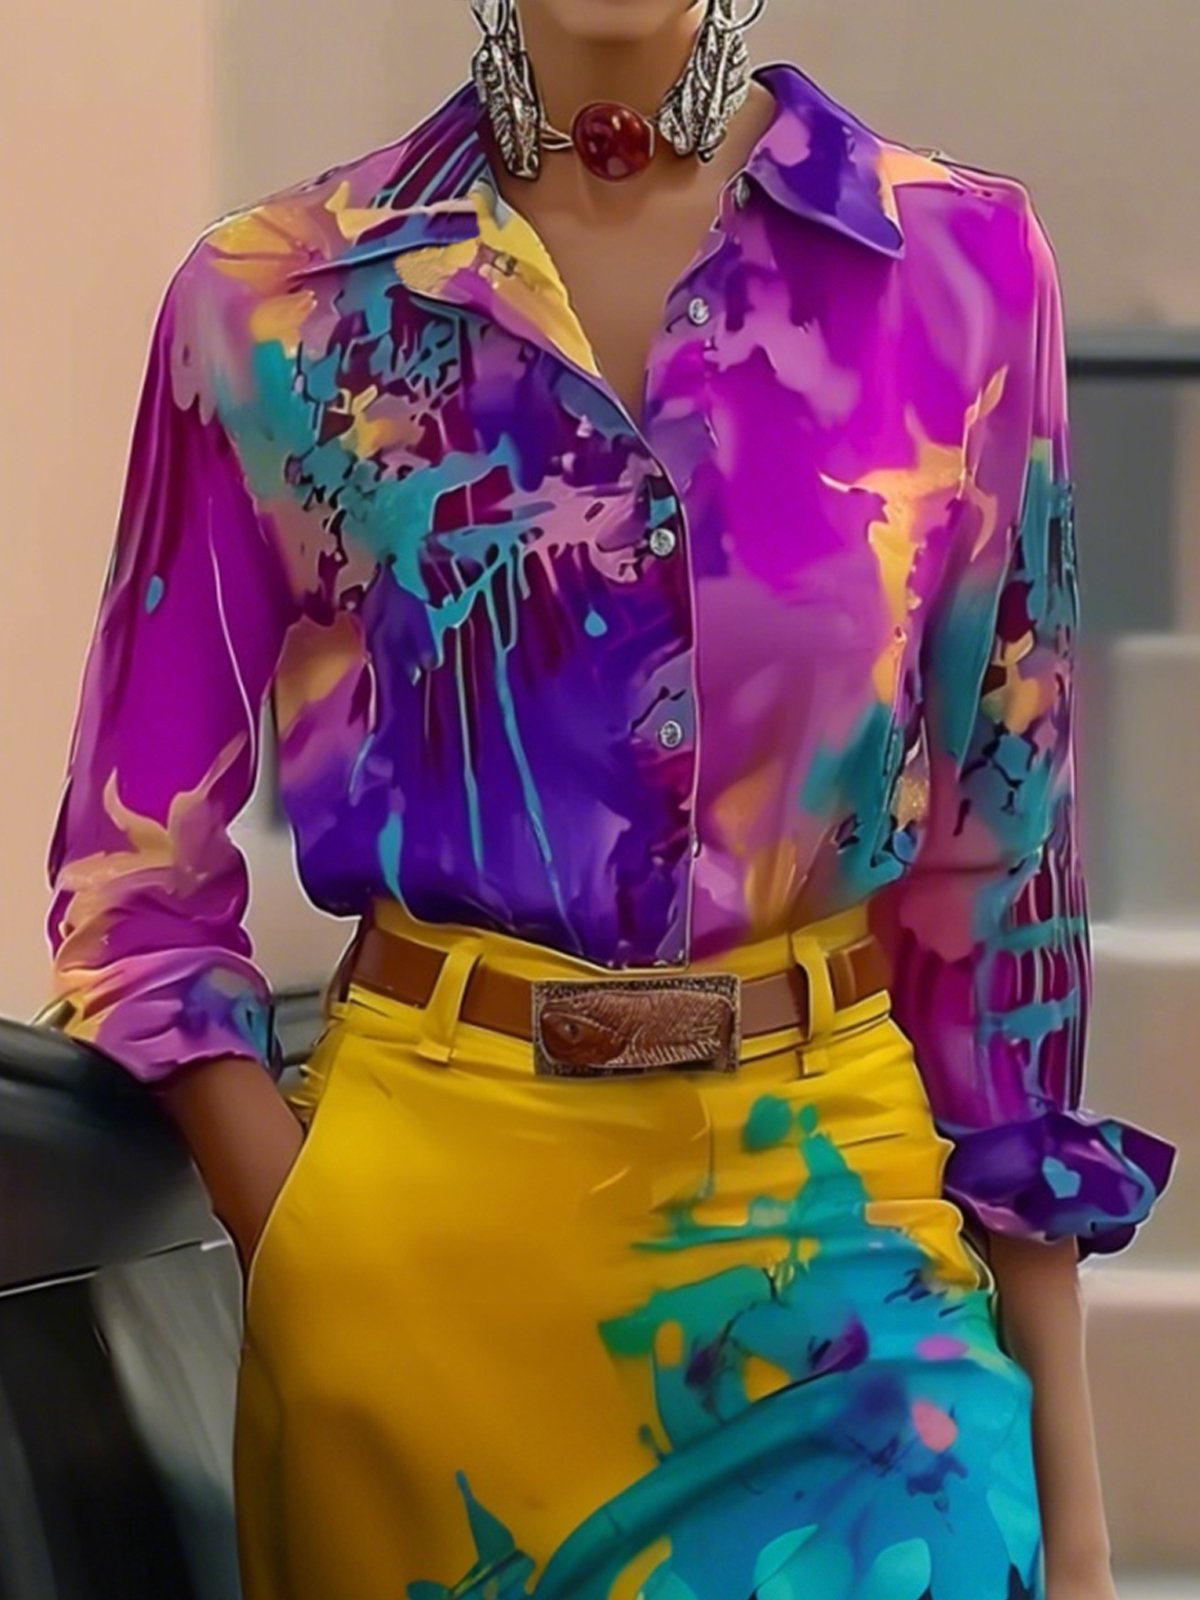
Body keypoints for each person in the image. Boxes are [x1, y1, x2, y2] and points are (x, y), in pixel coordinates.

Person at [42, 1, 1178, 1596]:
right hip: (419, 1304)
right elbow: (131, 880)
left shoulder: (956, 269)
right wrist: (294, 1239)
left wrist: (1074, 1504)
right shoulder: (274, 303)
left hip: (847, 1274)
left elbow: (1004, 869)